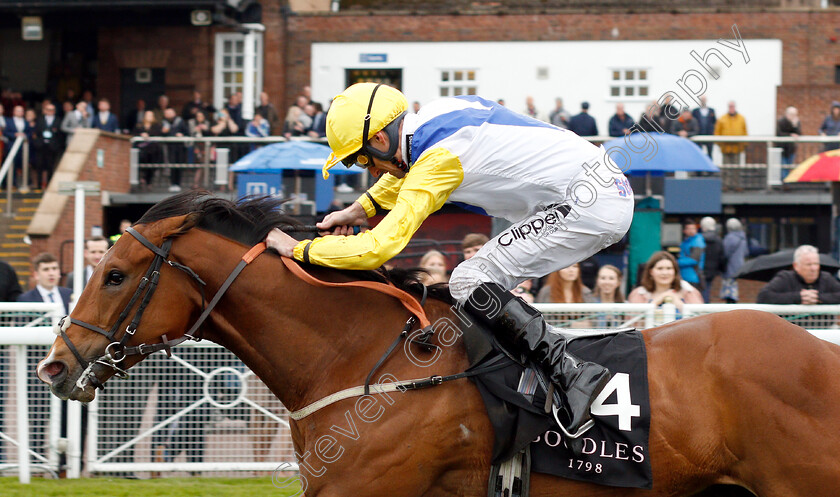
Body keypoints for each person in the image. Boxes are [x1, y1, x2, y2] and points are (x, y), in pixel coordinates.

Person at [265, 83, 634, 438]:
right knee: (478, 285)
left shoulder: (439, 157)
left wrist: (297, 249)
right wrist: (360, 209)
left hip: (587, 204)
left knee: (469, 281)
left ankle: (571, 374)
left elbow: (380, 247)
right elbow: (409, 171)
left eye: (363, 160)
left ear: (380, 138)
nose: (372, 171)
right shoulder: (435, 116)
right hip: (594, 188)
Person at [756, 245, 840, 304]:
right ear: (796, 266)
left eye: (816, 264)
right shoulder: (785, 278)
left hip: (824, 327)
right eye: (809, 264)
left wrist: (818, 298)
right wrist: (799, 297)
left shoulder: (826, 278)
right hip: (792, 327)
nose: (813, 268)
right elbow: (763, 296)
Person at [627, 251, 703, 314]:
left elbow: (701, 320)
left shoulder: (689, 291)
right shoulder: (638, 294)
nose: (664, 272)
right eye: (660, 268)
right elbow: (633, 323)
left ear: (675, 271)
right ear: (651, 272)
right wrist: (656, 302)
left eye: (669, 268)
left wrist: (679, 304)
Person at [714, 101, 748, 190]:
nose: (731, 108)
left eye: (732, 106)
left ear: (735, 107)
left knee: (736, 168)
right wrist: (721, 145)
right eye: (730, 106)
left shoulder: (741, 118)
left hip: (737, 148)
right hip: (726, 148)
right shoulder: (722, 119)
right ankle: (726, 185)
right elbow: (717, 133)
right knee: (726, 168)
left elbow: (745, 132)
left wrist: (743, 146)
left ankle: (736, 185)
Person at [31, 102, 64, 189]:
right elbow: (36, 133)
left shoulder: (58, 120)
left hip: (52, 147)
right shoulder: (40, 119)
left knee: (50, 166)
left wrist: (56, 145)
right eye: (48, 110)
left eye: (52, 110)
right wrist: (38, 143)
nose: (50, 111)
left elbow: (60, 135)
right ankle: (38, 185)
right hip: (41, 146)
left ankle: (49, 185)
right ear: (45, 110)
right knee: (39, 165)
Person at [720, 217, 748, 303]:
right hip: (740, 265)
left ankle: (730, 304)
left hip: (730, 266)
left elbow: (725, 253)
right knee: (734, 286)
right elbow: (746, 252)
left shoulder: (730, 238)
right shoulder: (743, 237)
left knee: (729, 287)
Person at [678, 219, 706, 294]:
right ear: (684, 230)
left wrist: (676, 262)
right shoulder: (685, 242)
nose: (692, 231)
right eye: (689, 228)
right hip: (684, 276)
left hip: (693, 277)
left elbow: (694, 260)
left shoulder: (698, 241)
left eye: (693, 228)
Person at [699, 217, 723, 303]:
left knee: (699, 290)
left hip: (700, 268)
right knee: (707, 289)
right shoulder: (718, 240)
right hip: (713, 269)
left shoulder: (700, 238)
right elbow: (721, 255)